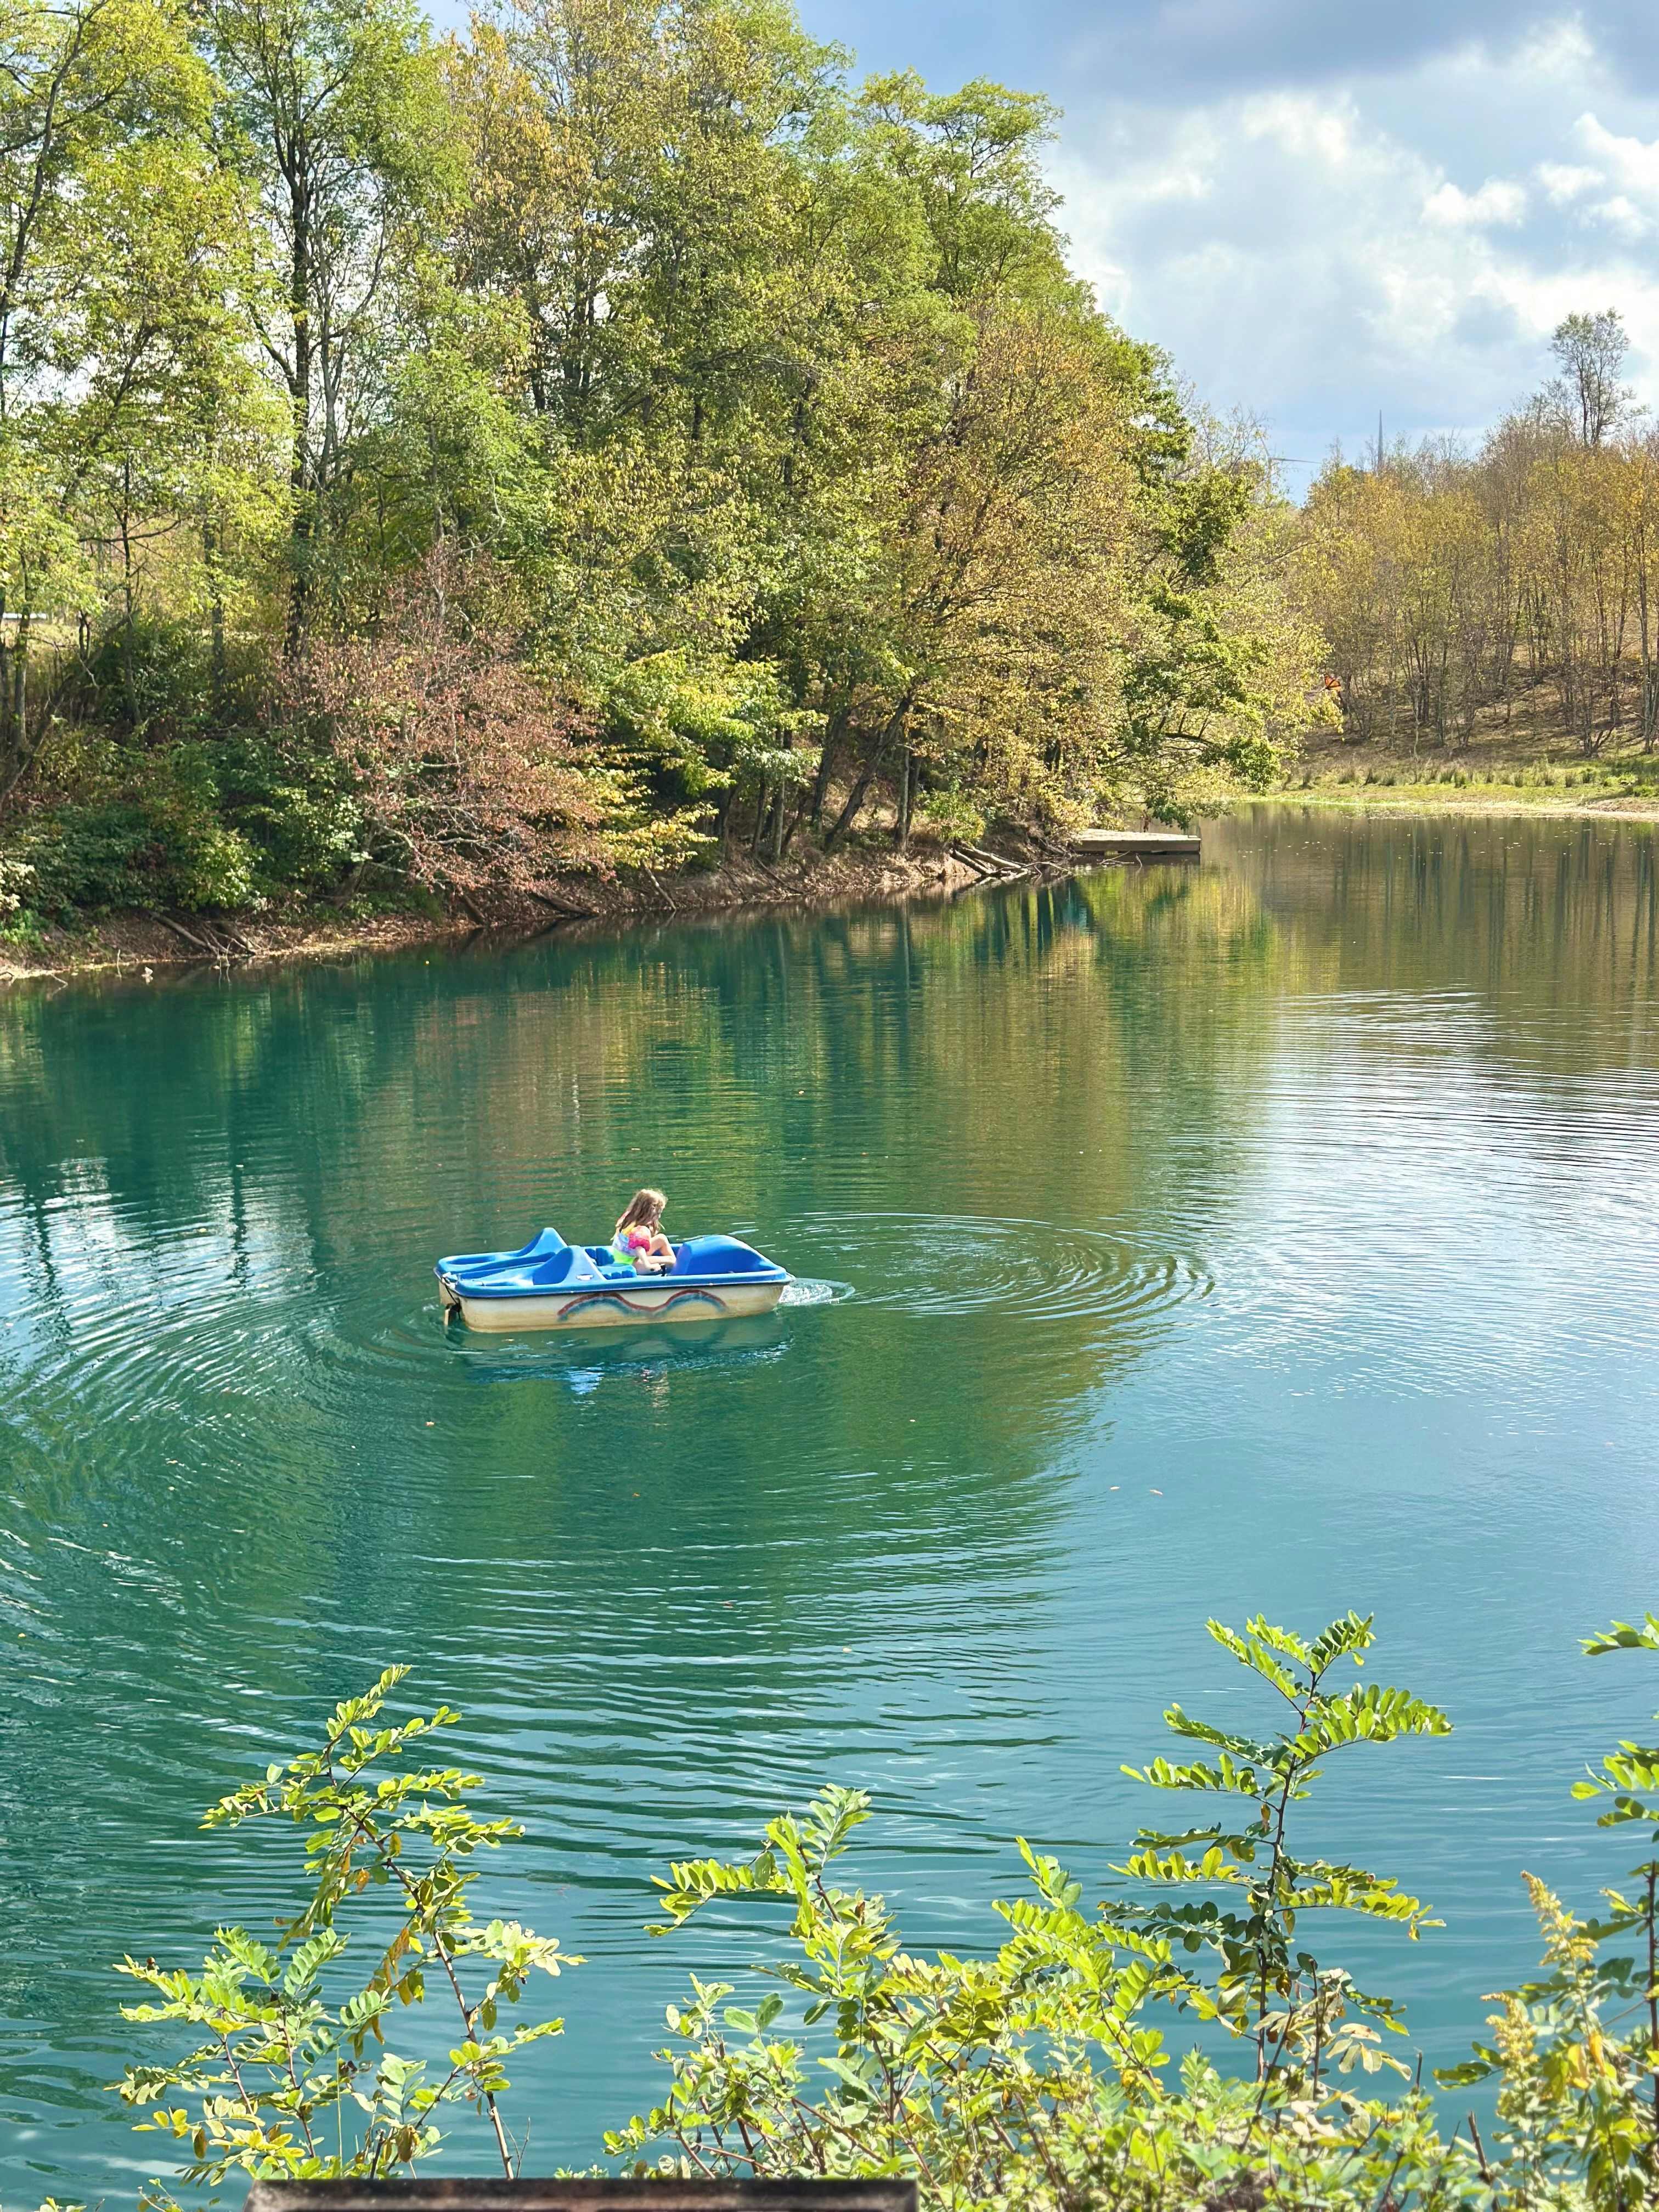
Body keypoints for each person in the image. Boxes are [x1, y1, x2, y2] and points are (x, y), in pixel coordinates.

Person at [612, 1187, 675, 1274]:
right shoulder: (640, 1230)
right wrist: (648, 1265)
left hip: (622, 1257)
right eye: (658, 1213)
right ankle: (673, 1264)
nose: (659, 1217)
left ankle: (673, 1263)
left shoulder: (628, 1217)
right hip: (629, 1264)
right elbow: (639, 1249)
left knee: (661, 1239)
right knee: (664, 1264)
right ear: (650, 1212)